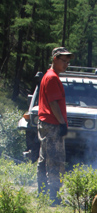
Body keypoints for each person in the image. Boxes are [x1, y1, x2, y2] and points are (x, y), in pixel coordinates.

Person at [37, 46, 73, 203]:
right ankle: (53, 196)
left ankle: (42, 192)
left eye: (68, 62)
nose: (66, 64)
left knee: (44, 157)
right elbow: (53, 103)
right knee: (55, 159)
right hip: (52, 124)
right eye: (63, 61)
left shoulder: (50, 76)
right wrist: (62, 123)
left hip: (46, 123)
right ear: (54, 59)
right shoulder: (52, 78)